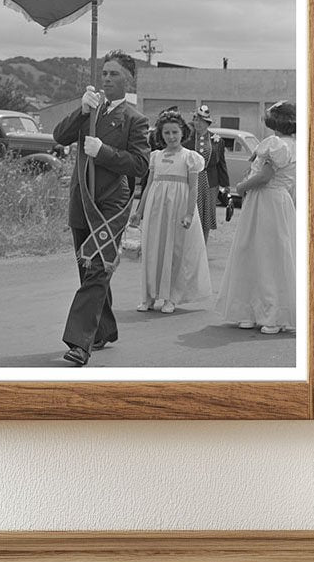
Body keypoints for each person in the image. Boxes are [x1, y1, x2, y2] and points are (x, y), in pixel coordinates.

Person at [54, 51, 150, 367]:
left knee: (97, 268)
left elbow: (139, 165)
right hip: (82, 198)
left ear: (128, 80)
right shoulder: (91, 110)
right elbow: (60, 136)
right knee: (89, 269)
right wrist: (81, 112)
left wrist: (104, 152)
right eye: (104, 73)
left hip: (112, 202)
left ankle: (80, 342)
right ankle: (104, 329)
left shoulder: (135, 119)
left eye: (114, 74)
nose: (107, 79)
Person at [215, 101, 297, 335]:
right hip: (275, 202)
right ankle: (252, 311)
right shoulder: (292, 145)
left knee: (261, 253)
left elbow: (265, 175)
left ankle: (270, 314)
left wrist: (240, 187)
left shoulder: (276, 144)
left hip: (266, 200)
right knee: (265, 254)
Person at [130, 110, 211, 314]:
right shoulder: (155, 157)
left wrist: (189, 214)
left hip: (178, 209)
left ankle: (171, 297)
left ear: (183, 132)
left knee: (174, 252)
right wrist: (138, 212)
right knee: (153, 249)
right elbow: (148, 186)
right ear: (161, 135)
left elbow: (193, 188)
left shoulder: (190, 158)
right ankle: (148, 296)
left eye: (175, 132)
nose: (171, 137)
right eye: (167, 133)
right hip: (156, 209)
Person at [186, 104, 229, 244]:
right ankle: (188, 245)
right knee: (190, 213)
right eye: (195, 120)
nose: (197, 123)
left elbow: (221, 163)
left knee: (206, 216)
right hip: (189, 181)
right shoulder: (187, 139)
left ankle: (202, 246)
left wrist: (225, 185)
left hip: (210, 182)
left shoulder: (217, 140)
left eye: (200, 120)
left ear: (207, 123)